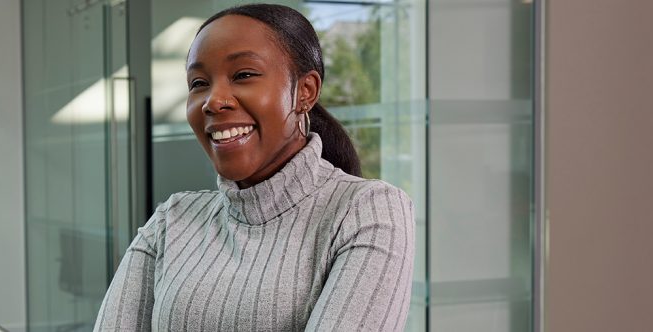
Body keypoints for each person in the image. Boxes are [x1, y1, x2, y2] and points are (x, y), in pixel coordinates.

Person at [94, 4, 415, 331]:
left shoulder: (366, 211)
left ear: (305, 91)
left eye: (244, 75)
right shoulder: (170, 221)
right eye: (199, 83)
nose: (213, 101)